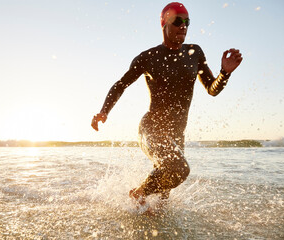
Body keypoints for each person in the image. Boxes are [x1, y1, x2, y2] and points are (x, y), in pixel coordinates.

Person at [91, 2, 243, 209]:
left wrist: (224, 73)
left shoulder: (195, 53)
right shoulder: (148, 57)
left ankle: (144, 213)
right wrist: (103, 111)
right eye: (177, 21)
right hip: (152, 129)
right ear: (164, 24)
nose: (183, 27)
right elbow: (121, 85)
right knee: (179, 169)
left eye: (187, 22)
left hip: (176, 133)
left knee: (163, 200)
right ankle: (138, 193)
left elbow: (212, 89)